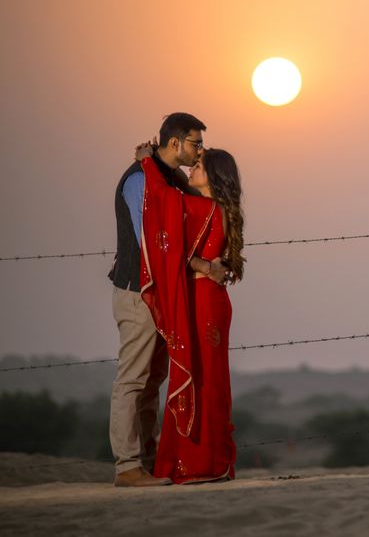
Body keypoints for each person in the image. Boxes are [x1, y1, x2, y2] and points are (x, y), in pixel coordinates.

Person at [108, 112, 225, 488]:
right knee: (133, 379)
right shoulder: (140, 180)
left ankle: (147, 461)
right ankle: (127, 466)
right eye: (195, 143)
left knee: (154, 380)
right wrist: (204, 264)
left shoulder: (165, 178)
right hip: (138, 292)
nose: (199, 150)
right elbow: (157, 244)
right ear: (175, 143)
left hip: (163, 293)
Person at [135, 141, 245, 484]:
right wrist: (207, 266)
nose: (189, 170)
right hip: (211, 299)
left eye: (197, 166)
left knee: (199, 379)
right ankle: (210, 461)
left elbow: (165, 205)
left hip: (202, 302)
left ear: (211, 175)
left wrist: (148, 165)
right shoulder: (217, 207)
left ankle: (198, 463)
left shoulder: (204, 209)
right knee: (208, 379)